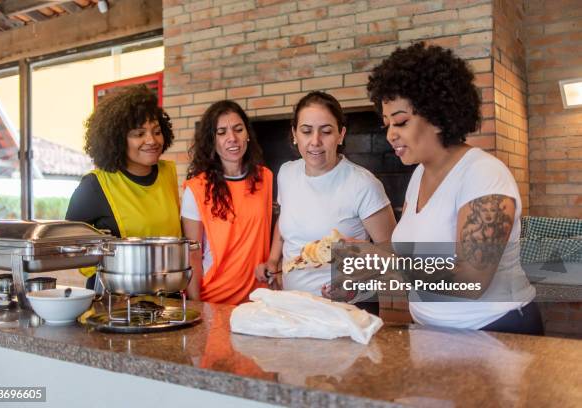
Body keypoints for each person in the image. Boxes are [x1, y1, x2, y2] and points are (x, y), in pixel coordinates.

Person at [367, 42, 542, 335]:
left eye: (400, 121)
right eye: (386, 124)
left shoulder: (483, 174)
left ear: (436, 116)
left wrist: (382, 265)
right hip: (431, 333)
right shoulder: (419, 176)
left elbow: (471, 280)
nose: (391, 134)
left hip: (496, 333)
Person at [256, 91, 396, 304]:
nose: (315, 141)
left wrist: (356, 281)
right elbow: (285, 221)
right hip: (292, 303)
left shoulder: (363, 184)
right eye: (306, 131)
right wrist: (273, 260)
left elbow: (393, 254)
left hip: (348, 309)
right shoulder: (287, 173)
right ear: (294, 134)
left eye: (326, 131)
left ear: (341, 135)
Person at [66, 85, 181, 289]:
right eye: (139, 134)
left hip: (167, 295)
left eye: (156, 131)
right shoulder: (94, 186)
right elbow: (69, 245)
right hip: (115, 301)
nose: (152, 140)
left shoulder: (168, 173)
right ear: (118, 139)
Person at [181, 100, 272, 305]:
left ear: (247, 134)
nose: (232, 138)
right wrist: (196, 305)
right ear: (211, 140)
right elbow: (193, 254)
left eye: (238, 129)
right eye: (221, 132)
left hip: (259, 299)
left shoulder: (266, 179)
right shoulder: (196, 189)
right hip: (215, 298)